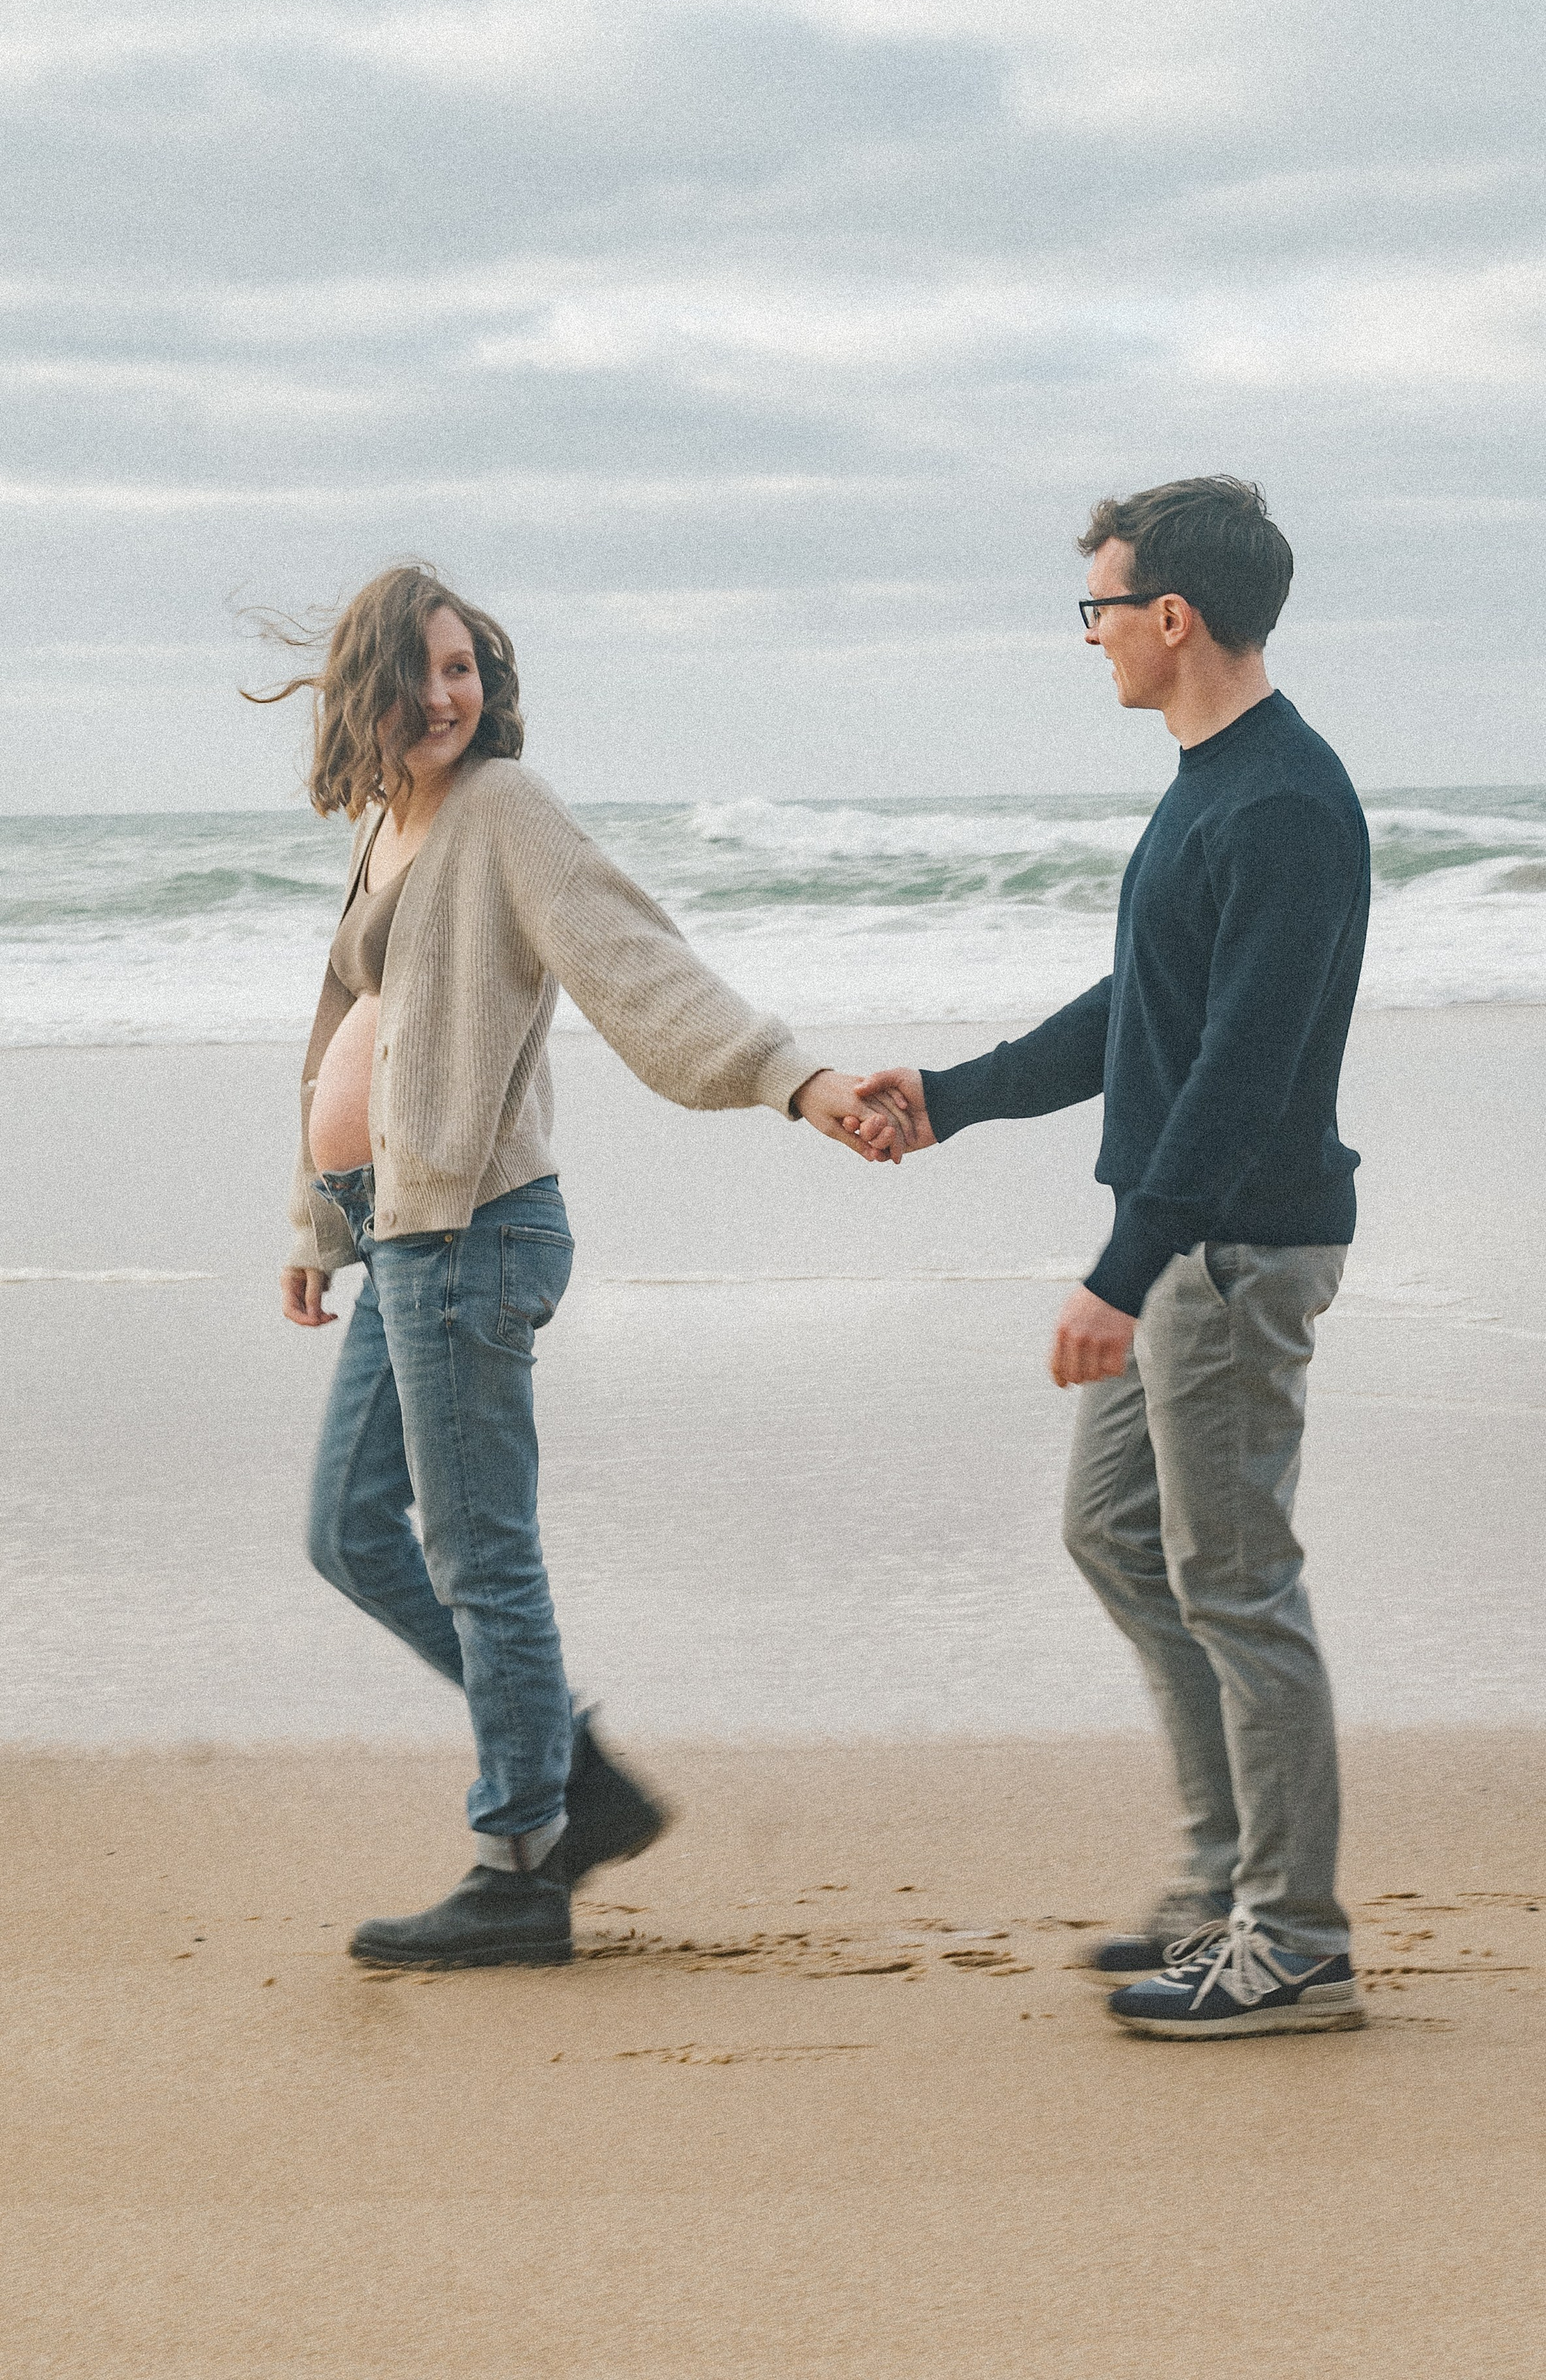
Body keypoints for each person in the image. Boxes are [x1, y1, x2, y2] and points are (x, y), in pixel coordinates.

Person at [251, 563, 893, 1971]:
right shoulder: (390, 827)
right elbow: (340, 1036)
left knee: (480, 1554)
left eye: (463, 666)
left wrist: (796, 1079)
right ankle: (565, 1771)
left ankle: (517, 1862)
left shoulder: (502, 812)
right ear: (367, 686)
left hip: (473, 1229)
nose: (444, 693)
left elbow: (637, 967)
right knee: (349, 1533)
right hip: (394, 1228)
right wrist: (317, 1222)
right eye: (419, 669)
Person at [855, 477, 1371, 2039]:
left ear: (1169, 616)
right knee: (1113, 1533)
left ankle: (1288, 1939)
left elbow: (1237, 1067)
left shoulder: (1281, 801)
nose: (1086, 636)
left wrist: (1120, 1262)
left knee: (1236, 1581)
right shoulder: (1210, 786)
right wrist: (949, 1097)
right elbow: (1134, 1014)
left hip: (1227, 1252)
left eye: (1096, 607)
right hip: (1185, 1244)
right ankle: (1227, 1879)